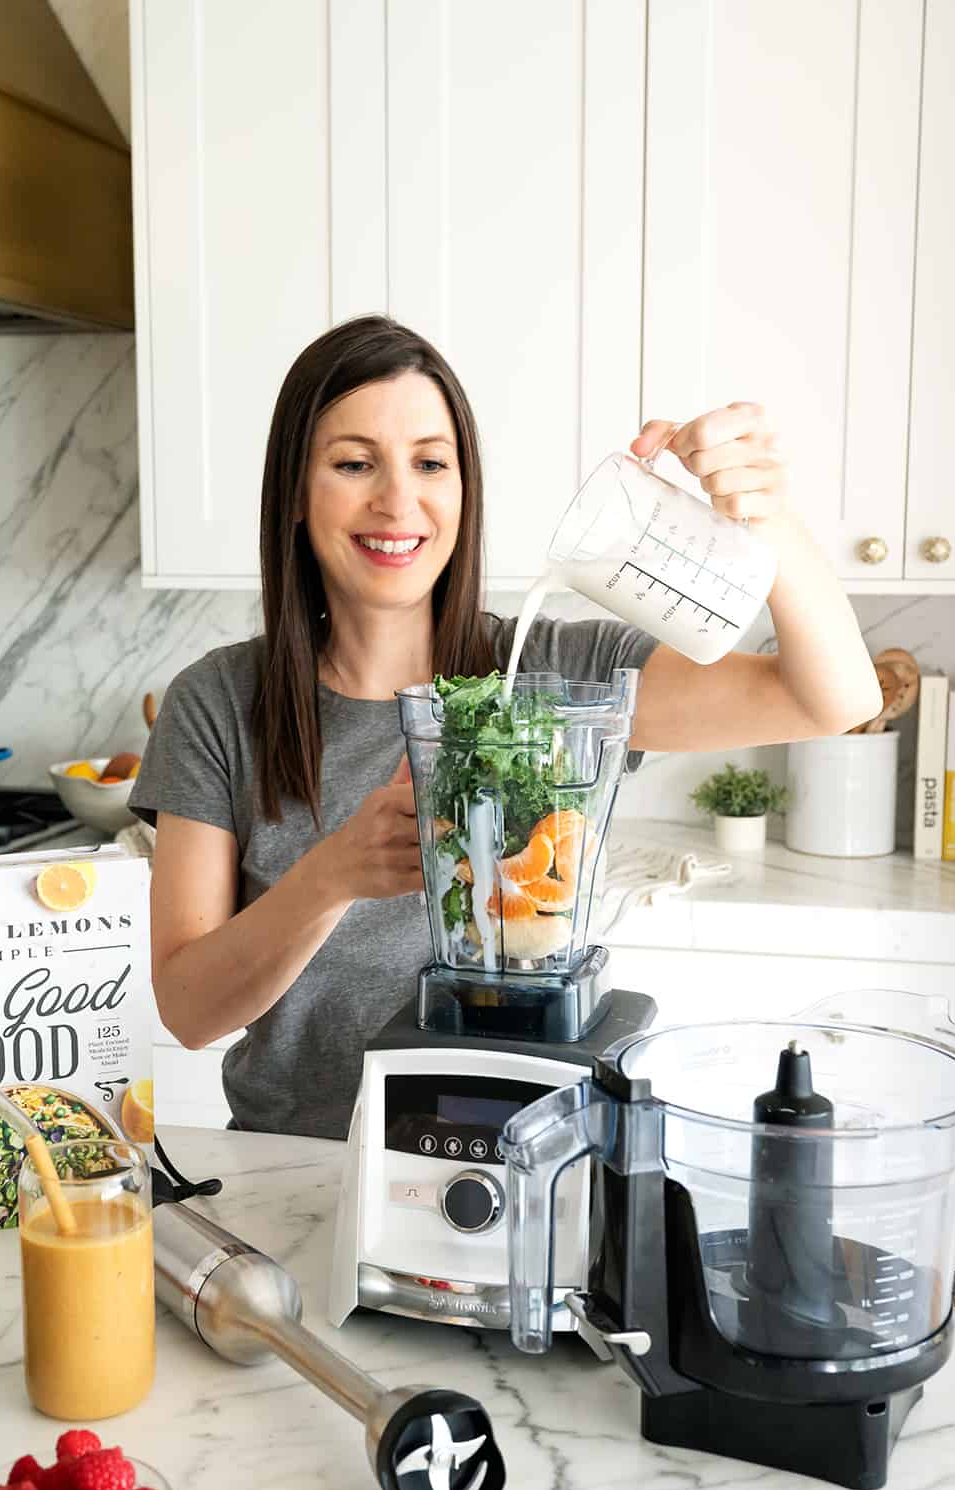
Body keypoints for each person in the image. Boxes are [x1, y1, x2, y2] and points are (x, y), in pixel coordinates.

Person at [129, 315, 880, 1138]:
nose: (398, 501)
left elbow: (831, 699)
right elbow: (191, 1011)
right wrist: (333, 874)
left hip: (526, 1162)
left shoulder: (561, 677)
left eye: (430, 463)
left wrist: (770, 520)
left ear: (463, 490)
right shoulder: (217, 704)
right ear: (297, 495)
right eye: (354, 464)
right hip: (295, 1168)